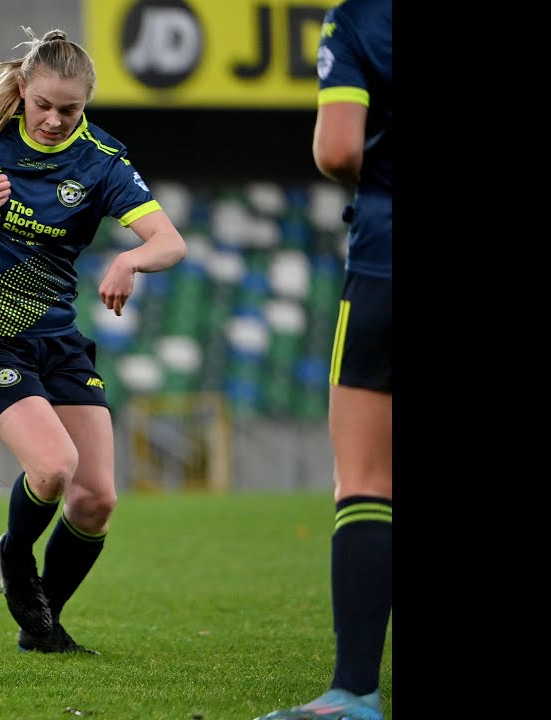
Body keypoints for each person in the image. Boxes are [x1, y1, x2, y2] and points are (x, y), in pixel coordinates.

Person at [0, 27, 186, 654]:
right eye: (44, 105)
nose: (55, 120)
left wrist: (131, 262)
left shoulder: (102, 160)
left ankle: (42, 627)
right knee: (54, 466)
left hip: (54, 335)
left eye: (71, 109)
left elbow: (170, 240)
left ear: (86, 105)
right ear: (22, 90)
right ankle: (15, 557)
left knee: (96, 500)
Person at [256, 2, 392, 719]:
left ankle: (355, 694)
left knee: (366, 479)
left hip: (385, 260)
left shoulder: (359, 18)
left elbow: (339, 151)